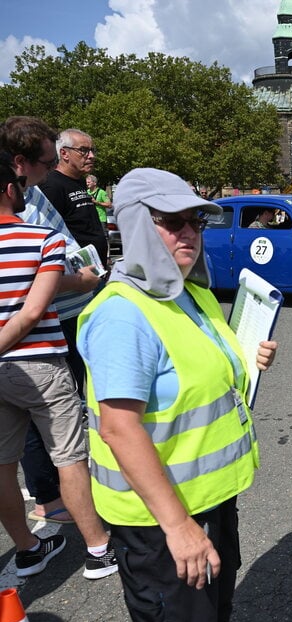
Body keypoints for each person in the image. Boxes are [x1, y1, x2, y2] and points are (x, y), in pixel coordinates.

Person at [77, 168, 278, 622]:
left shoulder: (189, 293)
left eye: (195, 221)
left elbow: (197, 371)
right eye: (170, 221)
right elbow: (118, 428)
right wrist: (178, 527)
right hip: (162, 519)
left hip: (210, 500)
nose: (188, 231)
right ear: (136, 226)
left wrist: (247, 356)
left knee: (211, 618)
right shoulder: (123, 316)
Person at [0, 151, 118, 580]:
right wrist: (86, 280)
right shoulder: (40, 240)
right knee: (69, 456)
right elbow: (34, 310)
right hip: (39, 362)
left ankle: (29, 548)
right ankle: (99, 549)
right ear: (13, 189)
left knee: (3, 464)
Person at [1, 116, 102, 526]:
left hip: (58, 318)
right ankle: (61, 509)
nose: (51, 170)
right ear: (21, 163)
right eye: (48, 161)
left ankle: (34, 533)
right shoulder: (21, 208)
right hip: (39, 336)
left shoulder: (33, 194)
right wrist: (80, 280)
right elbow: (32, 288)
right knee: (61, 443)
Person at [39, 128, 108, 266]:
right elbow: (47, 234)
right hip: (76, 275)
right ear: (64, 153)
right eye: (83, 150)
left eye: (92, 150)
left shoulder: (80, 181)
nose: (91, 156)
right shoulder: (51, 185)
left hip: (96, 270)